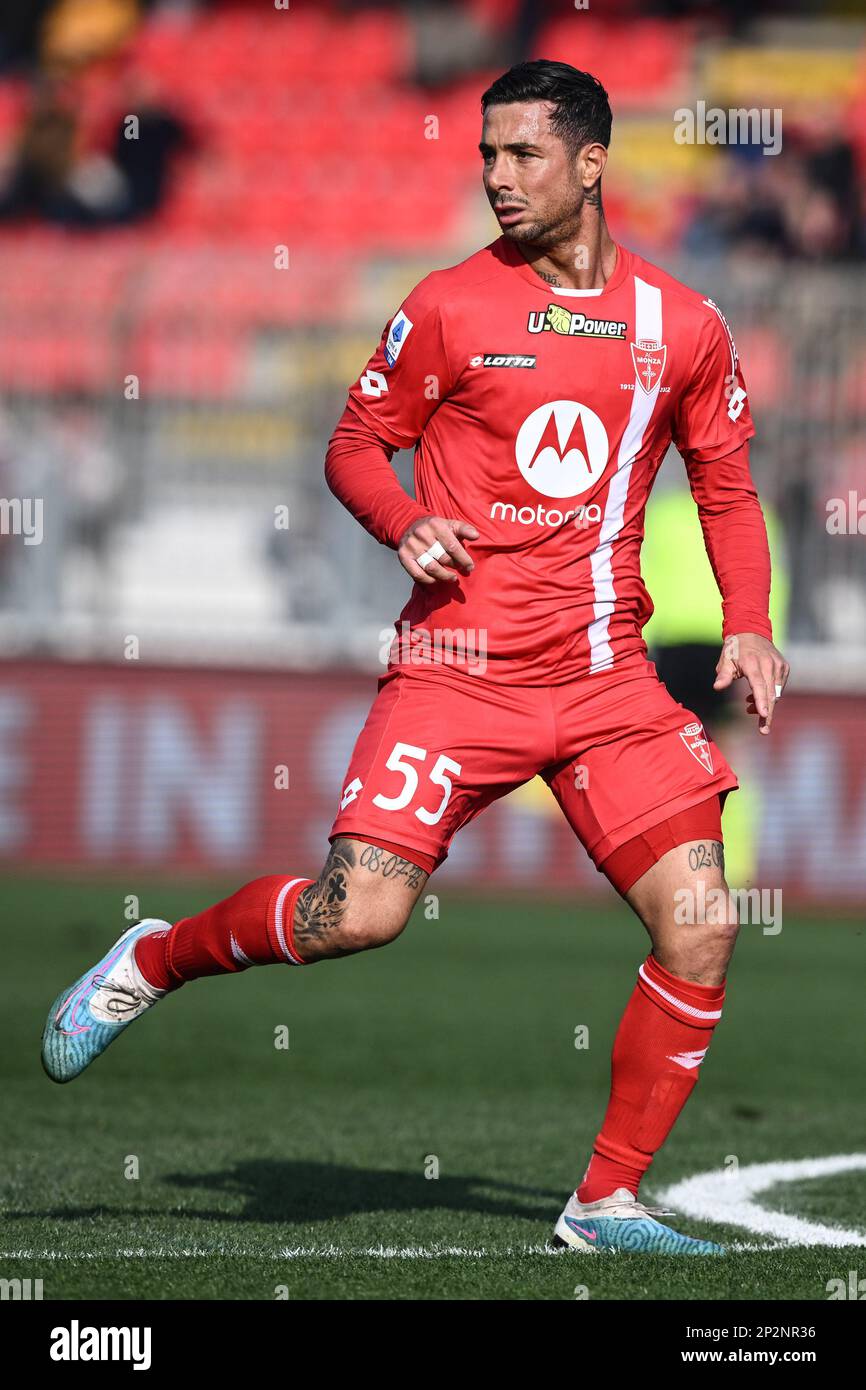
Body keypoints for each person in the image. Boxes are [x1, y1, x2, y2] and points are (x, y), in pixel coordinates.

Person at [42, 60, 790, 1256]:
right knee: (356, 916)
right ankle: (155, 955)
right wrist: (404, 521)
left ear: (592, 163)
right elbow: (351, 447)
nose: (495, 176)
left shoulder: (681, 324)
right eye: (485, 154)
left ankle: (602, 1202)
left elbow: (725, 482)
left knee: (700, 920)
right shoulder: (447, 305)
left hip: (604, 681)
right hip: (455, 673)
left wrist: (746, 620)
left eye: (522, 155)